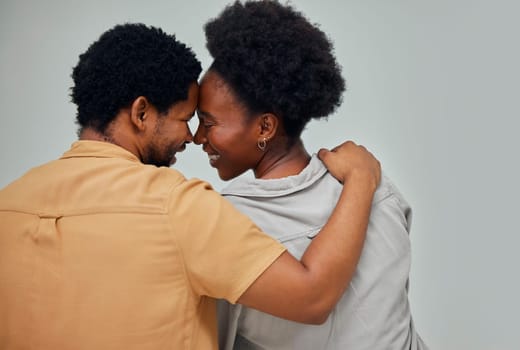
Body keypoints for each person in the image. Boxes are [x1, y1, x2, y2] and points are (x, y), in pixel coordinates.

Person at [0, 23, 381, 350]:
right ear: (142, 113)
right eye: (185, 118)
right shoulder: (176, 206)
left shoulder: (8, 205)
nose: (191, 137)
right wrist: (362, 179)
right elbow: (312, 298)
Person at [195, 2, 428, 349]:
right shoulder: (378, 188)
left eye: (208, 123)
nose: (198, 137)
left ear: (265, 126)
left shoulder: (227, 223)